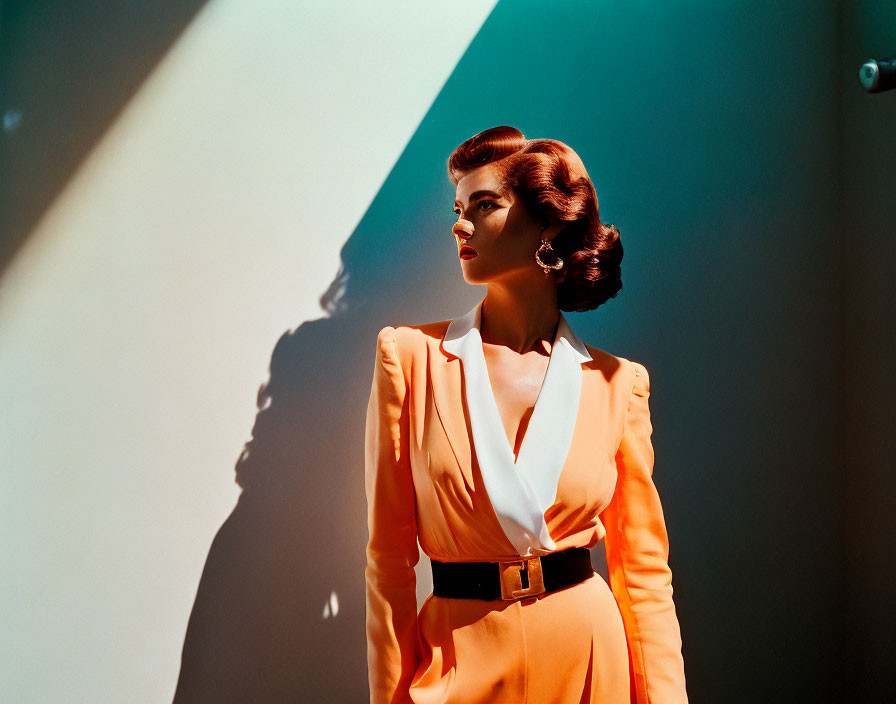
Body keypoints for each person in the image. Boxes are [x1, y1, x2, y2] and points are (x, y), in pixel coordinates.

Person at [364, 125, 688, 703]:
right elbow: (387, 564)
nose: (459, 224)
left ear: (549, 223)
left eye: (483, 205)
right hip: (459, 664)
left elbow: (642, 576)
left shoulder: (618, 384)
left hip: (590, 663)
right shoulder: (410, 358)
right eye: (457, 208)